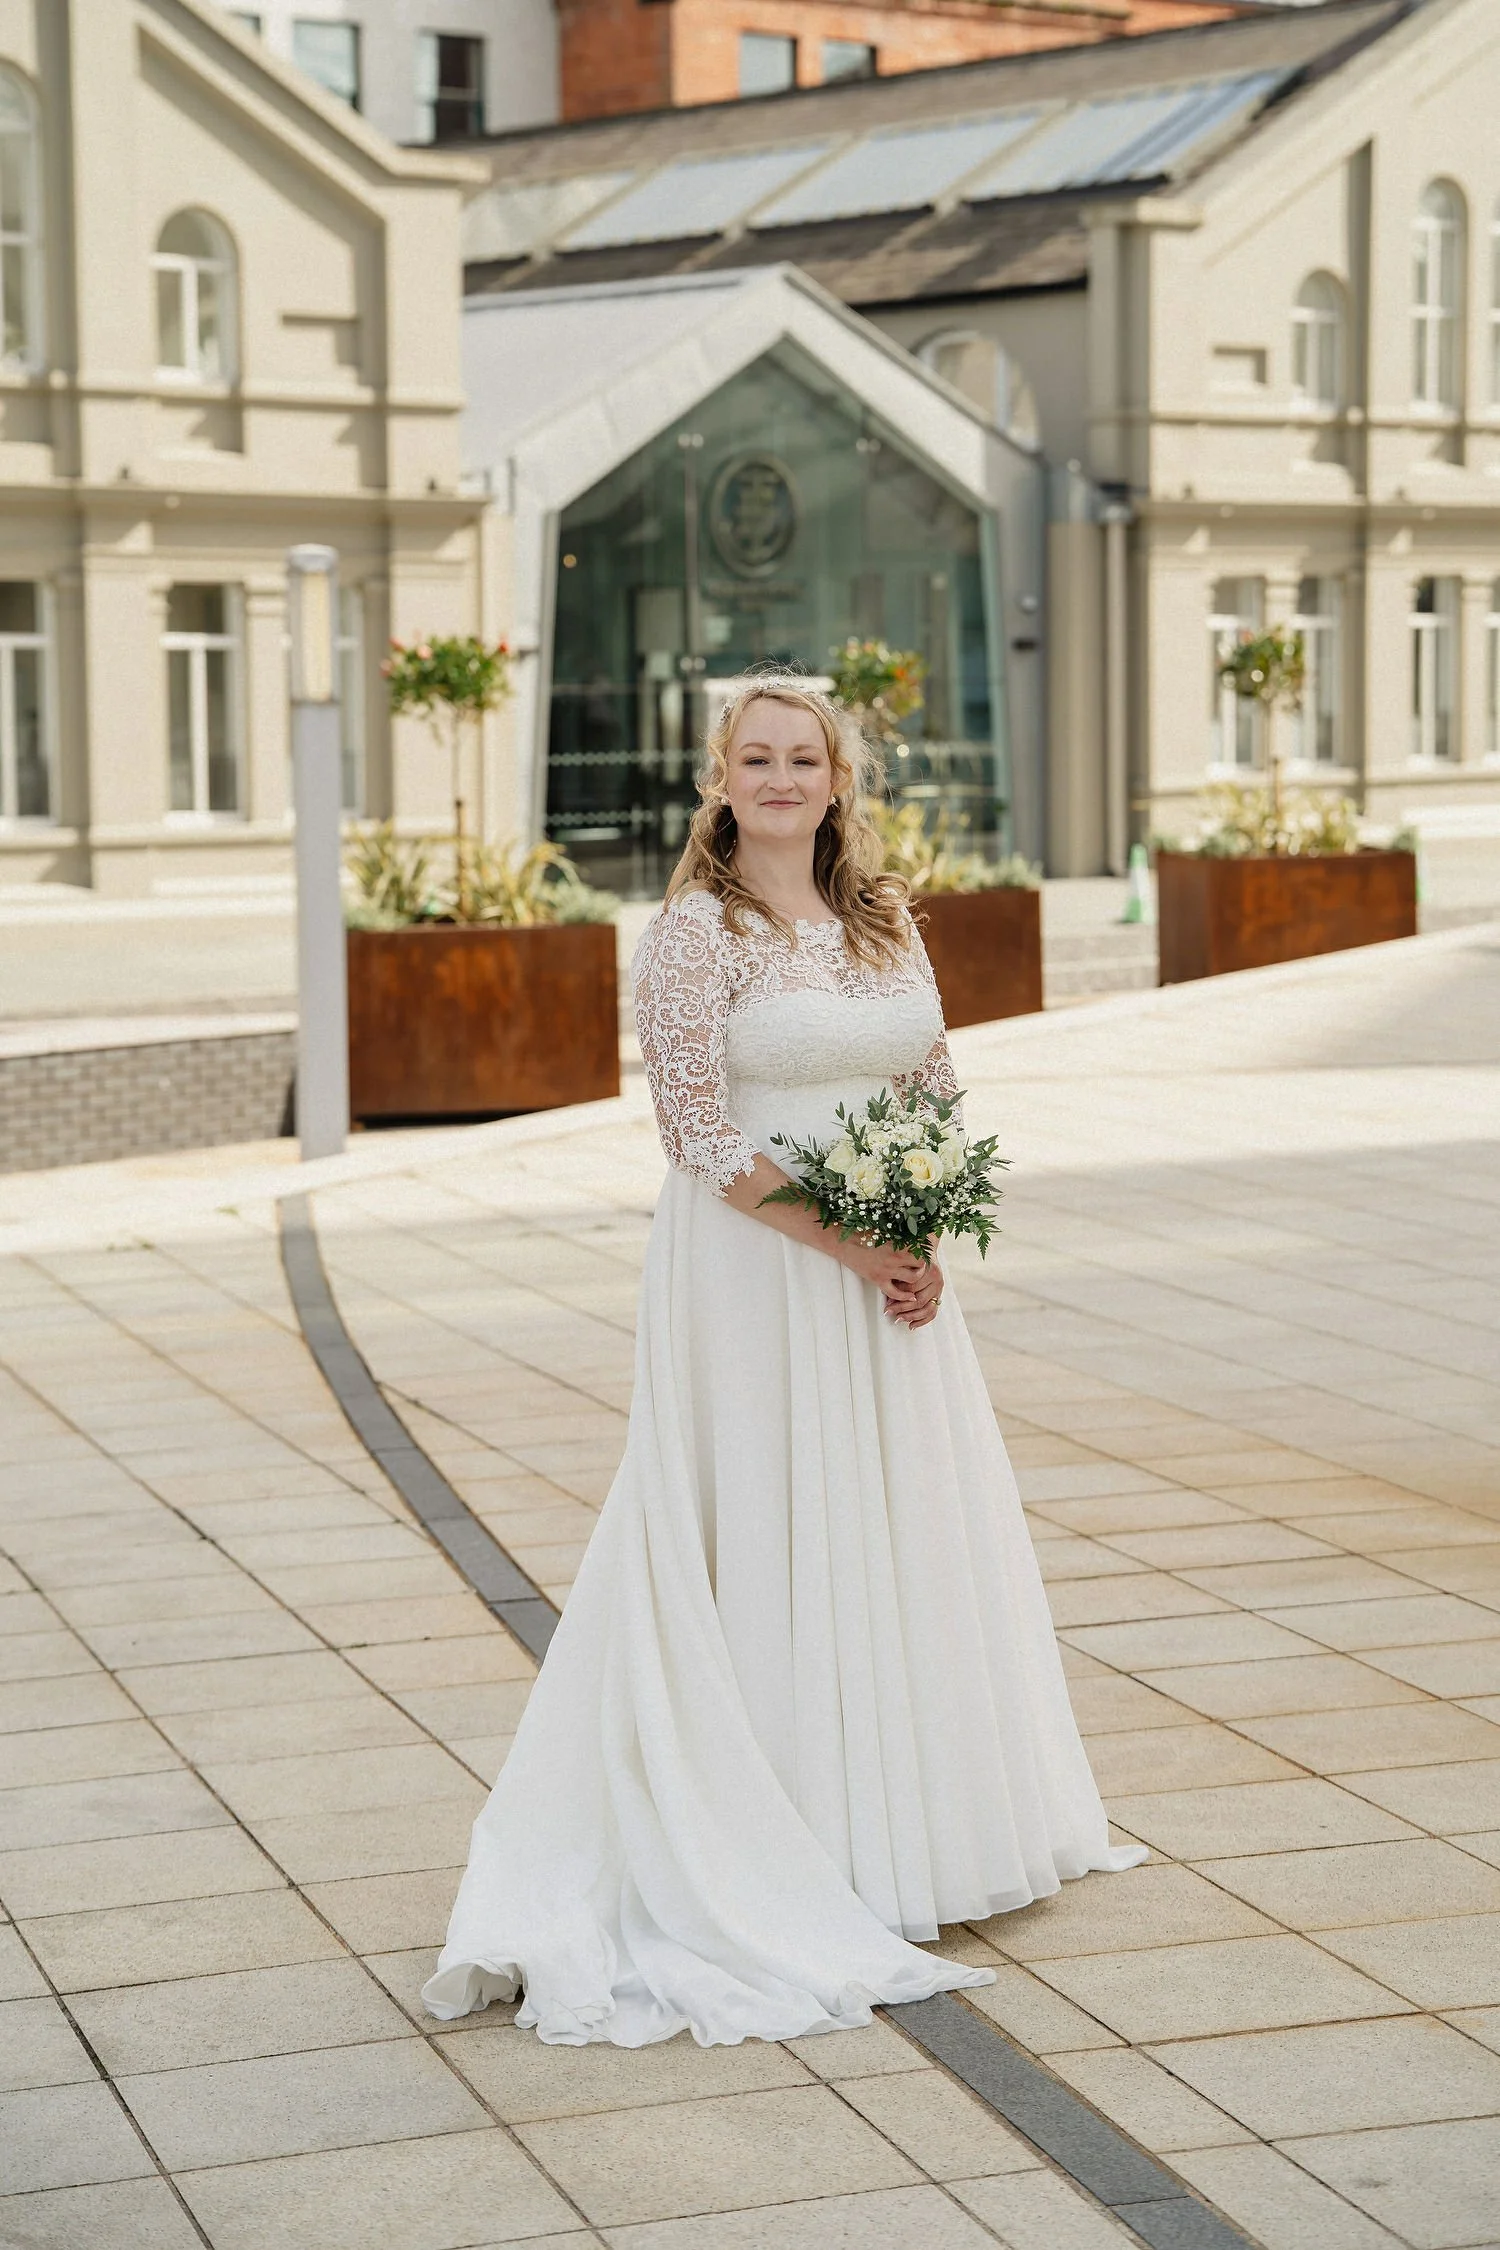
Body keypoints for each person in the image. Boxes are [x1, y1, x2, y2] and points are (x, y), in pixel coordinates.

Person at [422, 677, 1145, 2047]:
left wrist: (920, 1230)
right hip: (756, 1272)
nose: (780, 778)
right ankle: (787, 1833)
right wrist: (851, 1241)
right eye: (755, 758)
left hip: (889, 1274)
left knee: (897, 1516)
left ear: (837, 778)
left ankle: (915, 1825)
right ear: (721, 778)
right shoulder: (696, 933)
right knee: (769, 1516)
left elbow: (932, 1085)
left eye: (802, 758)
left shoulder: (883, 916)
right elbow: (695, 1130)